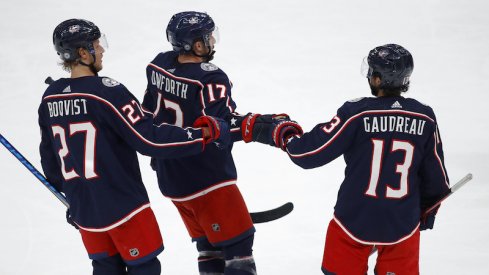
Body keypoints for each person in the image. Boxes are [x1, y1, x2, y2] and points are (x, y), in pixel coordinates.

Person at [39, 18, 230, 275]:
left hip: (86, 211)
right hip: (124, 207)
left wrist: (73, 199)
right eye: (97, 44)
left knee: (105, 267)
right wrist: (200, 135)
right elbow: (148, 139)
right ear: (82, 53)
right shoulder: (106, 92)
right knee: (145, 268)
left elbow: (49, 158)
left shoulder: (50, 97)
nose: (102, 49)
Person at [247, 44, 451, 274]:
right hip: (402, 224)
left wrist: (283, 135)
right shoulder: (424, 116)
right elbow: (437, 179)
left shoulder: (357, 112)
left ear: (376, 79)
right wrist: (427, 211)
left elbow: (308, 154)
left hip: (354, 221)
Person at [141, 11, 298, 275]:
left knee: (207, 245)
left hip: (170, 177)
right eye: (208, 36)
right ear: (197, 44)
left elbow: (147, 115)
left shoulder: (158, 65)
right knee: (239, 245)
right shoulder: (210, 77)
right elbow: (221, 127)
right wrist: (264, 126)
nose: (212, 40)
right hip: (207, 179)